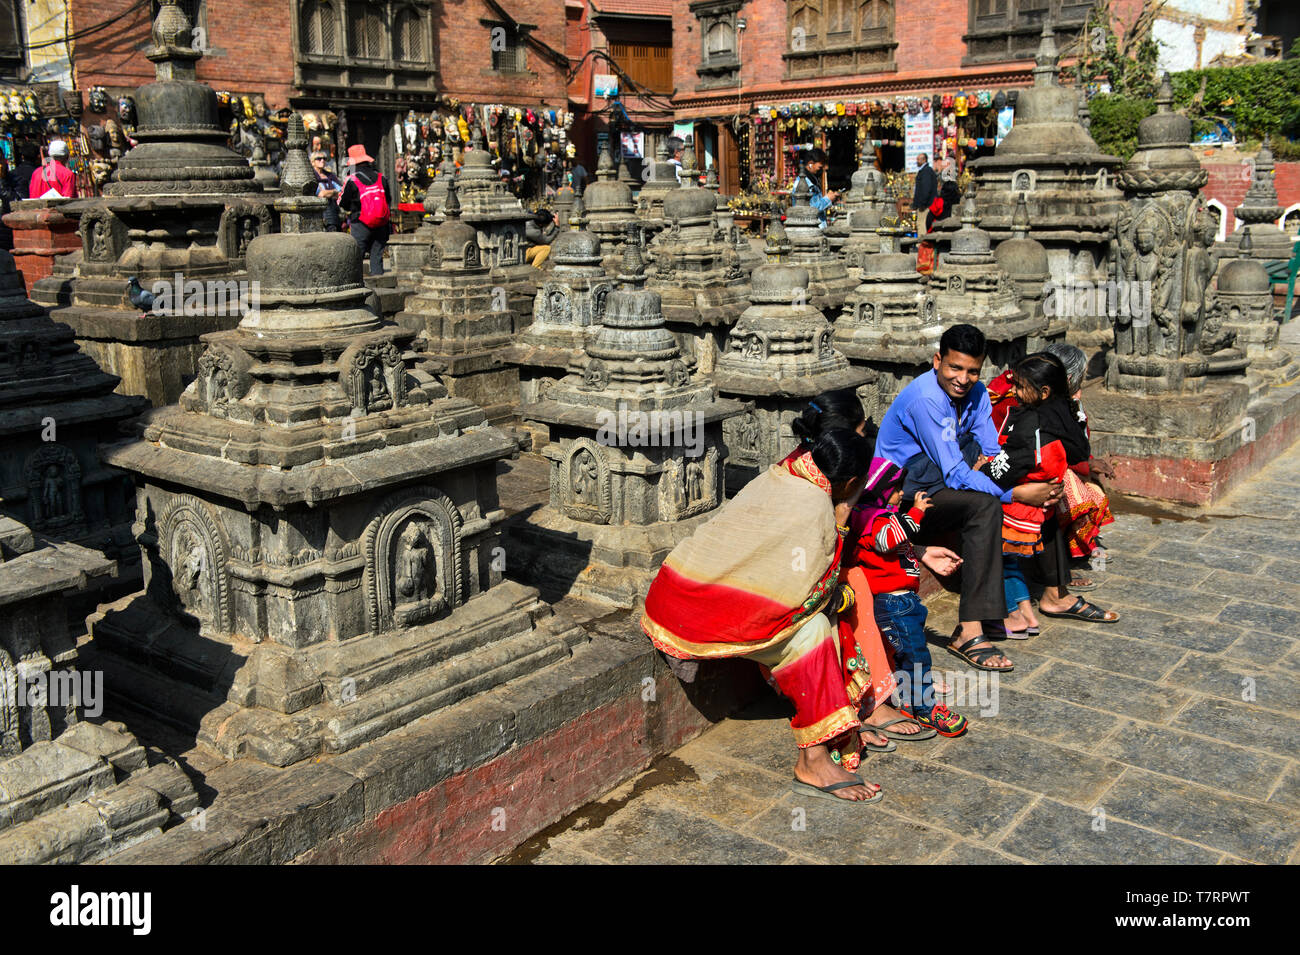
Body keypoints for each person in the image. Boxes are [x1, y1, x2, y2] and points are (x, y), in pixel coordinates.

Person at [643, 427, 885, 802]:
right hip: (697, 619)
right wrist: (843, 514)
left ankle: (841, 720)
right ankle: (814, 761)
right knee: (816, 631)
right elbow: (813, 596)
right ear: (851, 482)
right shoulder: (817, 508)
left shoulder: (782, 472)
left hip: (669, 598)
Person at [875, 324, 1064, 673]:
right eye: (955, 368)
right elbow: (957, 473)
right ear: (937, 361)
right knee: (986, 504)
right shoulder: (927, 400)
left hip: (942, 483)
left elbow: (992, 454)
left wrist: (1036, 489)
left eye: (972, 371)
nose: (963, 378)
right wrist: (1019, 493)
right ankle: (972, 629)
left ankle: (1005, 610)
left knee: (1020, 497)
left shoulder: (975, 394)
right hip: (904, 496)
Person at [790, 389, 959, 745]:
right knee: (868, 599)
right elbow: (853, 543)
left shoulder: (847, 488)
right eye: (863, 433)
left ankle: (892, 687)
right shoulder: (814, 484)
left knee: (908, 642)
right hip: (796, 585)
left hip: (845, 576)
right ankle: (874, 700)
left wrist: (919, 549)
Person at [981, 353, 1119, 626]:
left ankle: (1011, 607)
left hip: (1019, 504)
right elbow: (1079, 450)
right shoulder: (1062, 412)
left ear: (1044, 392)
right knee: (1051, 507)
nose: (1013, 391)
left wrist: (982, 469)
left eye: (1020, 386)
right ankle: (1056, 593)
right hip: (1042, 497)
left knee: (1000, 527)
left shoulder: (1031, 427)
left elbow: (1007, 468)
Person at [847, 455, 969, 737]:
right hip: (894, 603)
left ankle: (910, 701)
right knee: (914, 655)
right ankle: (924, 708)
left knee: (909, 654)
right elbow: (887, 540)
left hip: (905, 601)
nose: (902, 494)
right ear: (880, 489)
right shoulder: (870, 518)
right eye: (896, 488)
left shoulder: (878, 517)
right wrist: (915, 513)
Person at [338, 144, 391, 276]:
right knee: (377, 258)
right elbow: (388, 199)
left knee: (357, 257)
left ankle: (357, 287)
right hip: (381, 223)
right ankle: (380, 288)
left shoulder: (352, 180)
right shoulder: (381, 177)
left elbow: (342, 202)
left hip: (360, 223)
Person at [796, 147, 840, 229]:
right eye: (820, 167)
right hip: (810, 229)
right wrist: (827, 199)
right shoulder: (802, 184)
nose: (822, 170)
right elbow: (808, 210)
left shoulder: (813, 180)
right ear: (810, 164)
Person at [311, 151, 343, 232]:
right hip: (319, 212)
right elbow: (320, 194)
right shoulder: (311, 177)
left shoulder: (330, 176)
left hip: (334, 211)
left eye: (324, 159)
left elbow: (341, 192)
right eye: (319, 159)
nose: (322, 160)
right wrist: (334, 192)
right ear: (312, 162)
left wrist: (328, 192)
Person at [912, 152, 937, 235]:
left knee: (922, 224)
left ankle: (922, 245)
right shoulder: (923, 171)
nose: (917, 161)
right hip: (925, 204)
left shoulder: (926, 171)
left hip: (926, 205)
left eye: (919, 159)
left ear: (924, 160)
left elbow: (926, 188)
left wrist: (922, 203)